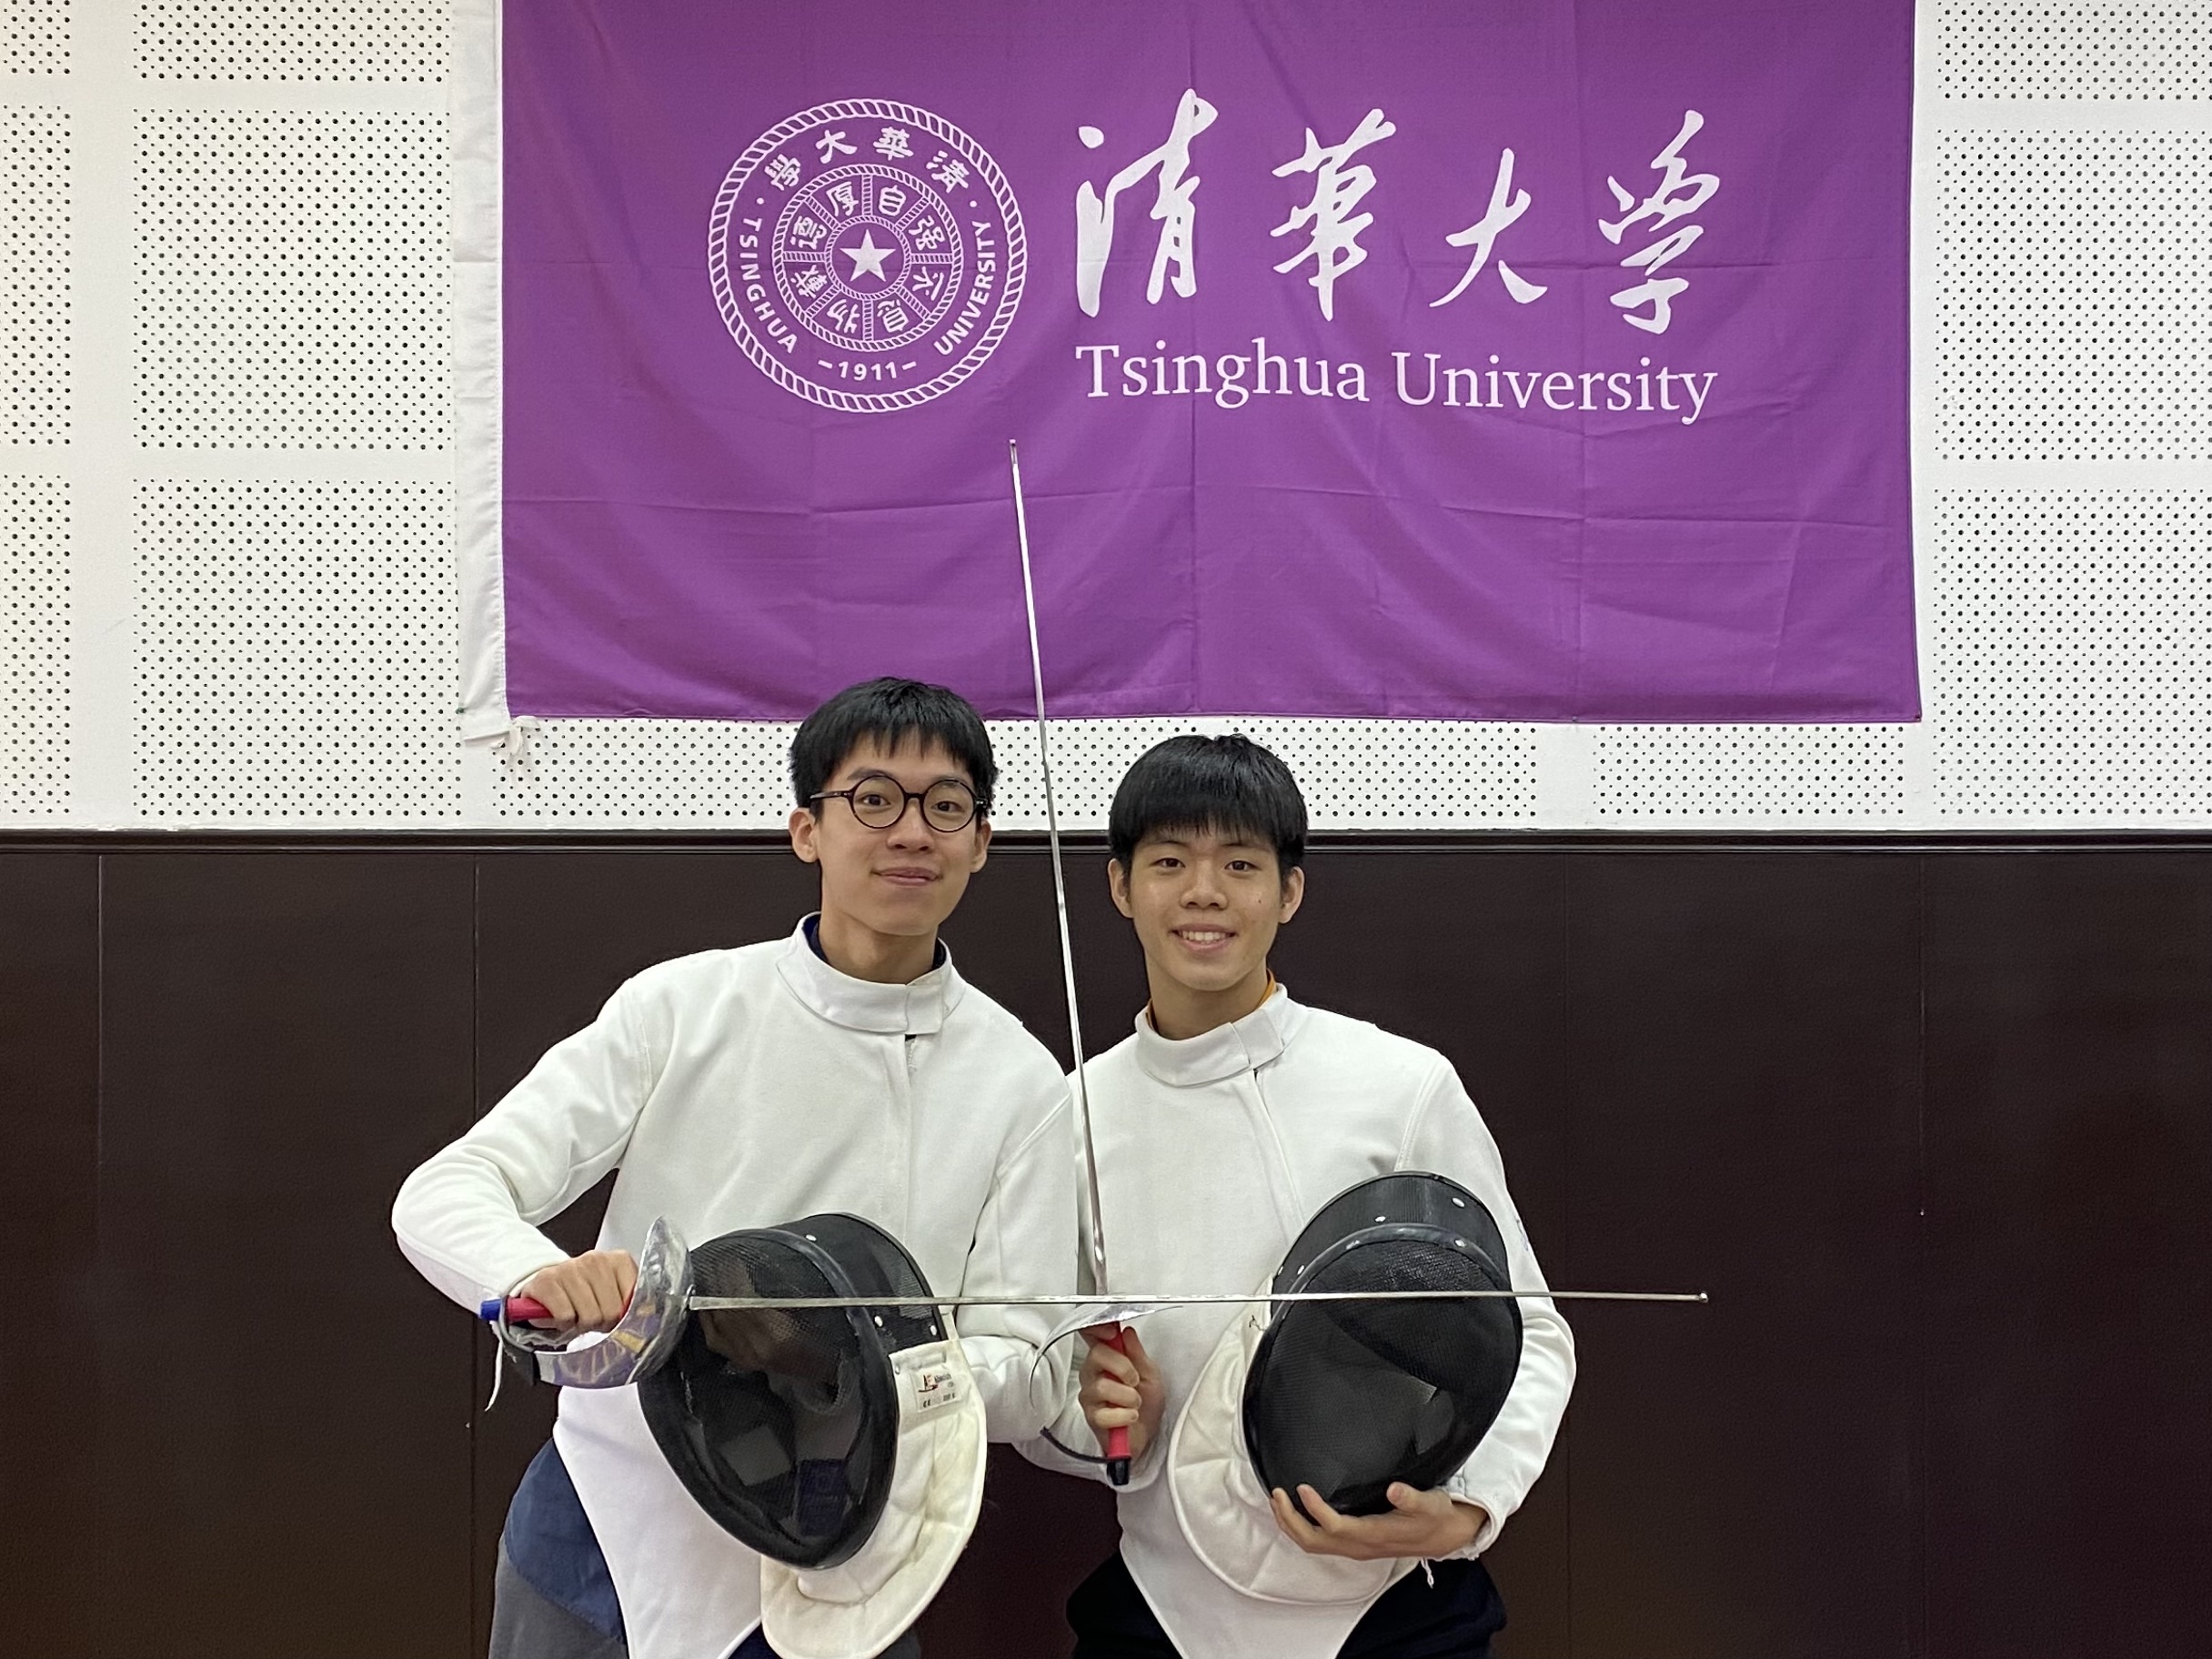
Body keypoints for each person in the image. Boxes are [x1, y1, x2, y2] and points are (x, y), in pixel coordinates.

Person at [392, 678, 1073, 1659]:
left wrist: (846, 1357)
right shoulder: (681, 1008)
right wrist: (538, 1276)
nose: (910, 831)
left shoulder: (1021, 1080)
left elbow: (1029, 1366)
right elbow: (446, 1190)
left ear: (980, 842)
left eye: (946, 805)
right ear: (807, 830)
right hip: (606, 1530)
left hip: (852, 1553)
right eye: (873, 799)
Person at [1021, 735, 1574, 1659]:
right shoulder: (1065, 1118)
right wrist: (1094, 1419)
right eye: (1169, 862)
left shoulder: (1401, 1085)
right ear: (1120, 886)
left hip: (1392, 1608)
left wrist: (1470, 1506)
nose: (1204, 893)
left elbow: (1530, 1329)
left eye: (1239, 865)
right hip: (1163, 1608)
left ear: (1288, 892)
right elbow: (1038, 1368)